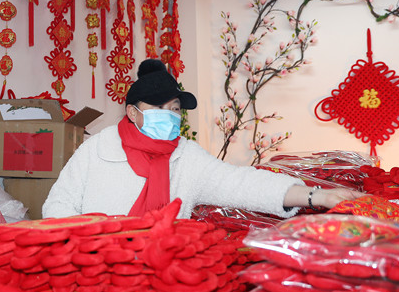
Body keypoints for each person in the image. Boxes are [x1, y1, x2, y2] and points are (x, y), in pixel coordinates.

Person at [43, 59, 361, 219]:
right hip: (95, 274)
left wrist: (317, 196)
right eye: (158, 107)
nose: (169, 114)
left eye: (174, 108)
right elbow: (58, 205)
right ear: (132, 112)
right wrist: (91, 248)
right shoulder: (97, 149)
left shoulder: (186, 157)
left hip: (165, 279)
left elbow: (242, 184)